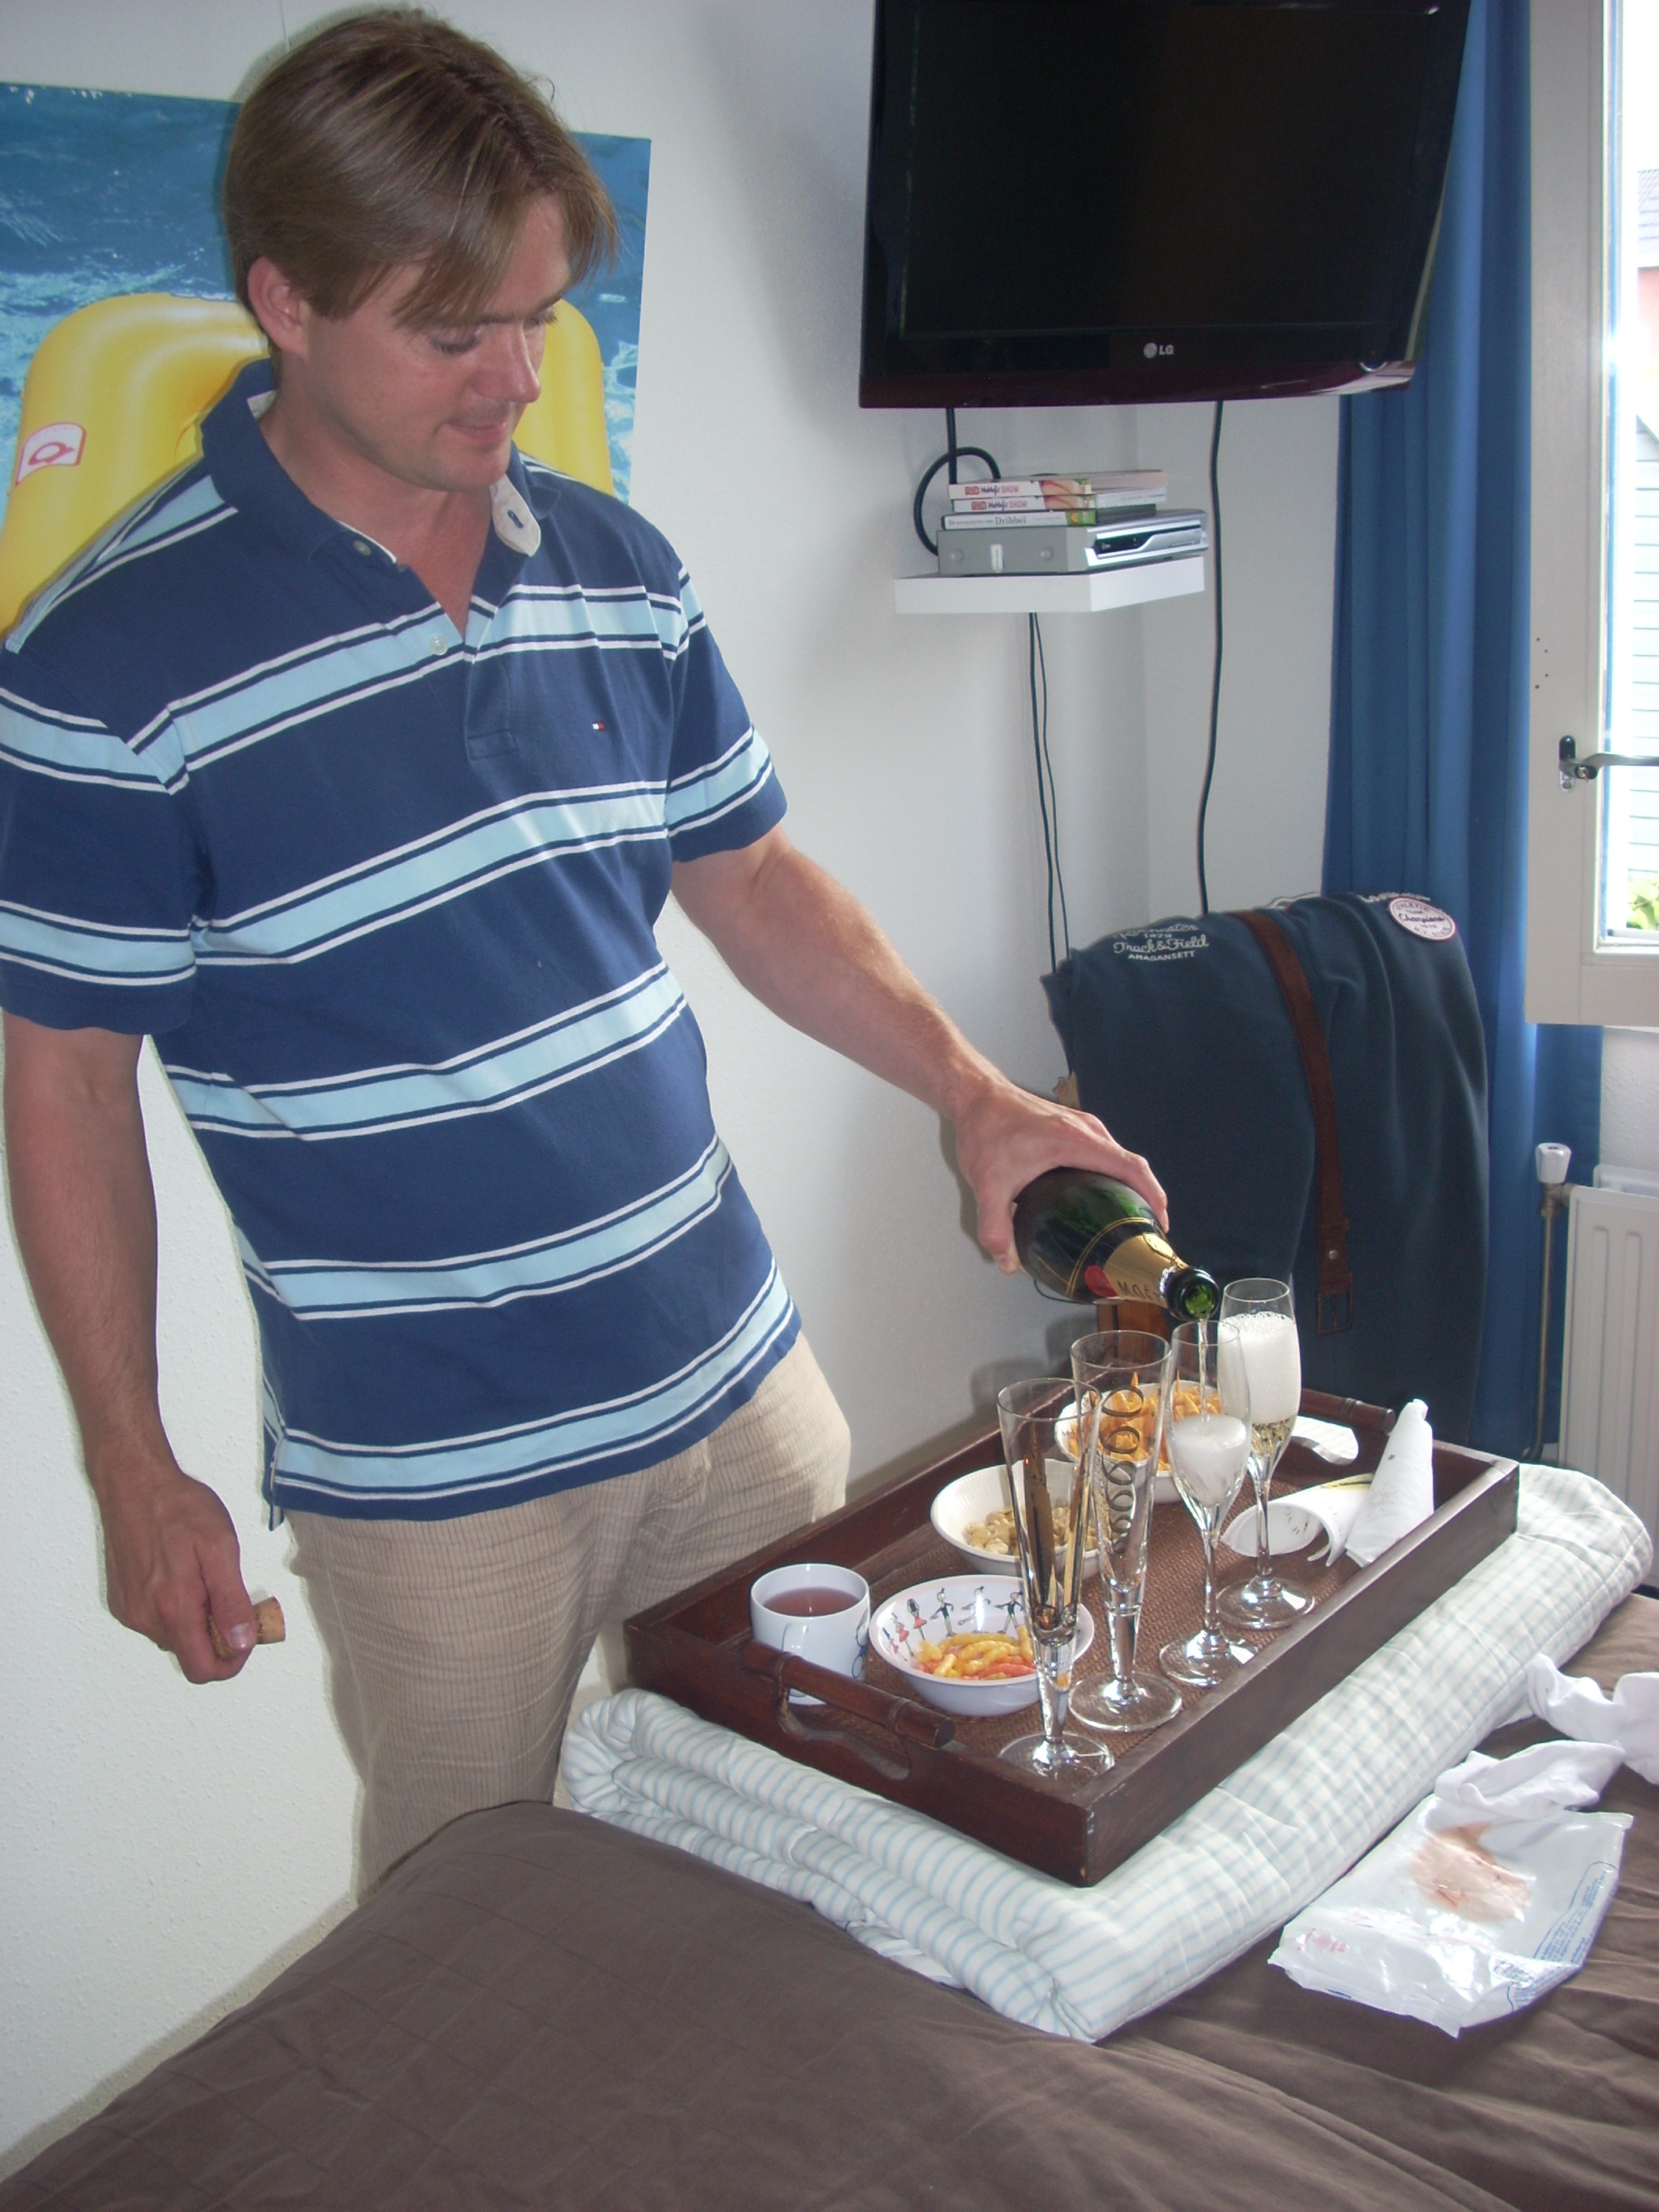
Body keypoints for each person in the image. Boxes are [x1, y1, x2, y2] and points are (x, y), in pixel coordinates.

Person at [0, 10, 1163, 1887]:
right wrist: (129, 1462)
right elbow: (63, 1082)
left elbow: (753, 879)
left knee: (829, 1850)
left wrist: (975, 1093)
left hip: (733, 1377)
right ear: (286, 303)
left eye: (540, 318)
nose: (517, 381)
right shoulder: (101, 669)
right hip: (440, 1478)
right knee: (480, 1929)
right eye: (454, 332)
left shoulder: (617, 564)